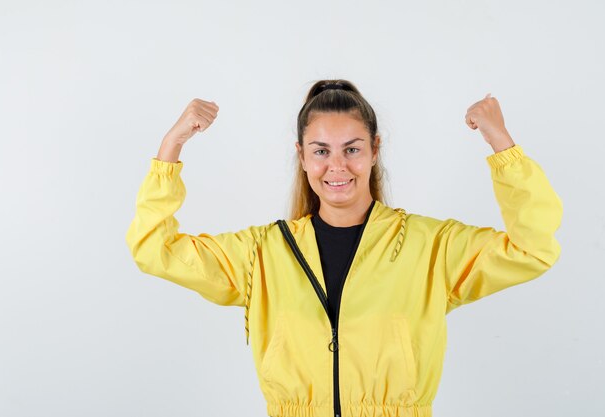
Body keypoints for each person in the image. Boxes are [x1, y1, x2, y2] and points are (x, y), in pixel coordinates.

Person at [125, 79, 562, 417]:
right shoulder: (263, 253)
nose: (337, 166)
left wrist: (501, 143)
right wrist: (172, 146)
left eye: (352, 149)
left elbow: (532, 248)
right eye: (321, 151)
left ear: (375, 150)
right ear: (301, 156)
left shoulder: (430, 248)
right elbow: (152, 248)